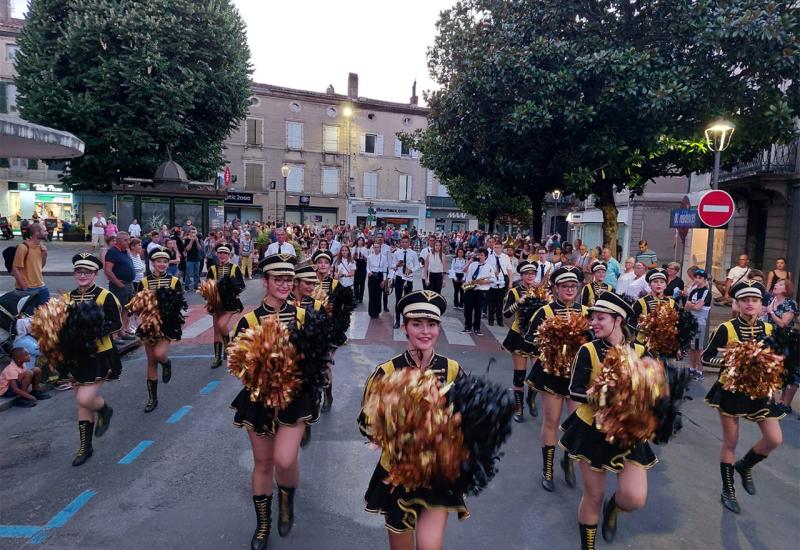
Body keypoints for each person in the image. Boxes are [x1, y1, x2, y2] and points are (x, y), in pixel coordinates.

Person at [359, 291, 468, 549]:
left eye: (431, 324)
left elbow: (466, 420)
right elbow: (366, 424)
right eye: (416, 324)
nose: (425, 331)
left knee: (431, 545)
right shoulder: (387, 371)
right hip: (397, 473)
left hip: (438, 472)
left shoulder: (453, 368)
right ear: (405, 327)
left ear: (439, 328)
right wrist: (398, 428)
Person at [230, 254, 323, 550]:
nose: (284, 284)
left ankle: (286, 497)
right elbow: (238, 367)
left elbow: (316, 361)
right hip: (259, 400)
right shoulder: (248, 321)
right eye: (278, 279)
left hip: (295, 400)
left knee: (285, 460)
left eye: (288, 279)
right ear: (266, 281)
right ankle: (263, 524)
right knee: (263, 462)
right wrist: (261, 374)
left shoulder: (304, 317)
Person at [560, 292, 654, 550]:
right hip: (593, 429)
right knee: (593, 495)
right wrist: (604, 395)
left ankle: (613, 509)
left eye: (600, 318)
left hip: (629, 431)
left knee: (635, 498)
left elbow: (654, 388)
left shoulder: (641, 350)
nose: (594, 323)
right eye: (592, 319)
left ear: (618, 319)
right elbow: (574, 389)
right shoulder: (588, 350)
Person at [703, 281, 785, 515]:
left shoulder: (769, 330)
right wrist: (733, 361)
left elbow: (778, 359)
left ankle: (745, 465)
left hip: (760, 392)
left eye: (755, 300)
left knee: (774, 439)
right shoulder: (726, 329)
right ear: (737, 304)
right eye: (745, 300)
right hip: (730, 391)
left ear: (762, 305)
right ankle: (728, 490)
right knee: (731, 441)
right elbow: (707, 357)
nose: (750, 304)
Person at [523, 266, 589, 492]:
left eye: (573, 286)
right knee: (551, 421)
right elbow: (530, 339)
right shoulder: (545, 311)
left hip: (578, 375)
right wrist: (550, 344)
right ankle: (548, 469)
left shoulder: (587, 311)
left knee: (577, 422)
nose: (570, 289)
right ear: (556, 288)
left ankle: (568, 459)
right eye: (565, 286)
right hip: (551, 373)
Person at [62, 253, 123, 466]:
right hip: (75, 356)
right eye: (79, 271)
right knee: (81, 402)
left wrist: (93, 331)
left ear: (95, 274)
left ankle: (105, 409)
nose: (82, 275)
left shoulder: (105, 296)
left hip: (99, 354)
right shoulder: (67, 297)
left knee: (85, 398)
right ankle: (84, 447)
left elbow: (117, 325)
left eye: (87, 272)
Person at [139, 248, 185, 413]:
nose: (162, 264)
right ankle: (152, 398)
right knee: (151, 361)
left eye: (165, 262)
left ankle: (167, 363)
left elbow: (181, 302)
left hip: (167, 325)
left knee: (159, 355)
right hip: (148, 325)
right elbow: (137, 302)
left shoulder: (174, 281)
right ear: (152, 263)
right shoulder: (144, 282)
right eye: (158, 261)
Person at [502, 260, 540, 422]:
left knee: (537, 374)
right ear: (522, 275)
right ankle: (519, 409)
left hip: (537, 337)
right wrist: (518, 303)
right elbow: (506, 313)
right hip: (519, 336)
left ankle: (530, 399)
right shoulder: (515, 292)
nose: (530, 276)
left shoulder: (541, 291)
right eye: (527, 274)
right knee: (520, 375)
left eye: (533, 273)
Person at [207, 244, 245, 368]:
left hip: (230, 303)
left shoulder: (235, 268)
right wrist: (211, 292)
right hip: (216, 303)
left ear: (229, 255)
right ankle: (217, 358)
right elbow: (207, 285)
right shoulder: (212, 269)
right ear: (217, 255)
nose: (222, 255)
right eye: (220, 253)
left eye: (225, 253)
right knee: (216, 330)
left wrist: (231, 289)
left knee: (221, 325)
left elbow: (241, 285)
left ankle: (229, 345)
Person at [767, 279, 798, 414]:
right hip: (771, 339)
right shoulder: (771, 300)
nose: (775, 285)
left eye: (780, 284)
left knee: (787, 371)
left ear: (786, 289)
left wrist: (771, 312)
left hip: (786, 341)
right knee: (771, 369)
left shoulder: (790, 303)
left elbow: (783, 324)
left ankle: (784, 403)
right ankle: (773, 399)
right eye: (776, 284)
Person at [632, 268, 677, 346]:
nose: (658, 284)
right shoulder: (640, 302)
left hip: (664, 343)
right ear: (649, 285)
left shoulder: (672, 303)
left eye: (662, 282)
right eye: (655, 282)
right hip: (643, 342)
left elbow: (677, 323)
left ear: (666, 285)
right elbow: (632, 321)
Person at [104, 231, 135, 340]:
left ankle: (123, 332)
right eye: (125, 240)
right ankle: (115, 335)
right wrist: (118, 283)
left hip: (128, 284)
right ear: (118, 240)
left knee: (126, 309)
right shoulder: (112, 252)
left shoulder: (124, 251)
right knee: (117, 309)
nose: (128, 242)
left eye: (129, 239)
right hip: (119, 286)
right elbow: (108, 270)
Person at [11, 221, 50, 309]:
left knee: (46, 314)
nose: (47, 232)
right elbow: (15, 268)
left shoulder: (41, 247)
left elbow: (40, 267)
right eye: (44, 231)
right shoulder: (23, 247)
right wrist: (24, 287)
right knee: (29, 318)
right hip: (28, 289)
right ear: (37, 233)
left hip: (41, 287)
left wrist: (45, 255)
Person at [461, 247, 496, 336]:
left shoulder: (489, 266)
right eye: (478, 254)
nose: (479, 256)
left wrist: (484, 281)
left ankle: (477, 328)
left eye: (481, 255)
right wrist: (470, 261)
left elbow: (493, 279)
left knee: (478, 310)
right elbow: (464, 270)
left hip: (480, 290)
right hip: (469, 289)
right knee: (467, 310)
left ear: (485, 257)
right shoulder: (473, 264)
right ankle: (467, 327)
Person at [685, 268, 712, 379]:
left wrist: (692, 305)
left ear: (704, 279)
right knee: (692, 347)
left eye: (700, 278)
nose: (697, 279)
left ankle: (699, 369)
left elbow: (697, 307)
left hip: (700, 322)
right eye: (696, 277)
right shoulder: (694, 291)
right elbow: (686, 306)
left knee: (698, 347)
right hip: (692, 320)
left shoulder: (706, 292)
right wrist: (692, 305)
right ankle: (692, 367)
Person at [392, 236, 420, 329]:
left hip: (409, 278)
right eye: (403, 242)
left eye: (406, 242)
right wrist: (397, 265)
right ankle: (397, 320)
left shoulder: (413, 253)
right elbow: (393, 266)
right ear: (401, 243)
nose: (404, 244)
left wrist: (412, 270)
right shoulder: (397, 252)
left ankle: (406, 320)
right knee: (398, 299)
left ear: (409, 243)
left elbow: (417, 265)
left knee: (407, 300)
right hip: (400, 277)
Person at [488, 242, 513, 327]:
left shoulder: (506, 257)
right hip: (493, 280)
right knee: (491, 301)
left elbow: (509, 270)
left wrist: (510, 282)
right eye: (495, 247)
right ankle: (490, 319)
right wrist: (492, 273)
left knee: (500, 302)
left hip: (503, 279)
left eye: (498, 247)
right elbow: (487, 269)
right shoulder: (490, 257)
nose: (496, 249)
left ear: (502, 248)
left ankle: (499, 320)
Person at [366, 242, 389, 319]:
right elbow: (367, 267)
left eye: (377, 247)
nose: (376, 249)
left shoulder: (384, 257)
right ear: (373, 248)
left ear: (380, 248)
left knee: (378, 295)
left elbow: (385, 269)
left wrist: (384, 280)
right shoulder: (369, 257)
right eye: (375, 247)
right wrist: (369, 272)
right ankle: (371, 312)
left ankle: (377, 312)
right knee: (371, 295)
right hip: (372, 275)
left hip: (380, 276)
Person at [353, 237, 369, 304]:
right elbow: (351, 258)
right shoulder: (354, 248)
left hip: (363, 265)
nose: (360, 241)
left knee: (362, 283)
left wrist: (363, 256)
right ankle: (356, 297)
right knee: (356, 282)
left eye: (362, 240)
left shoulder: (365, 249)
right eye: (359, 240)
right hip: (356, 265)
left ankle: (361, 298)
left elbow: (367, 259)